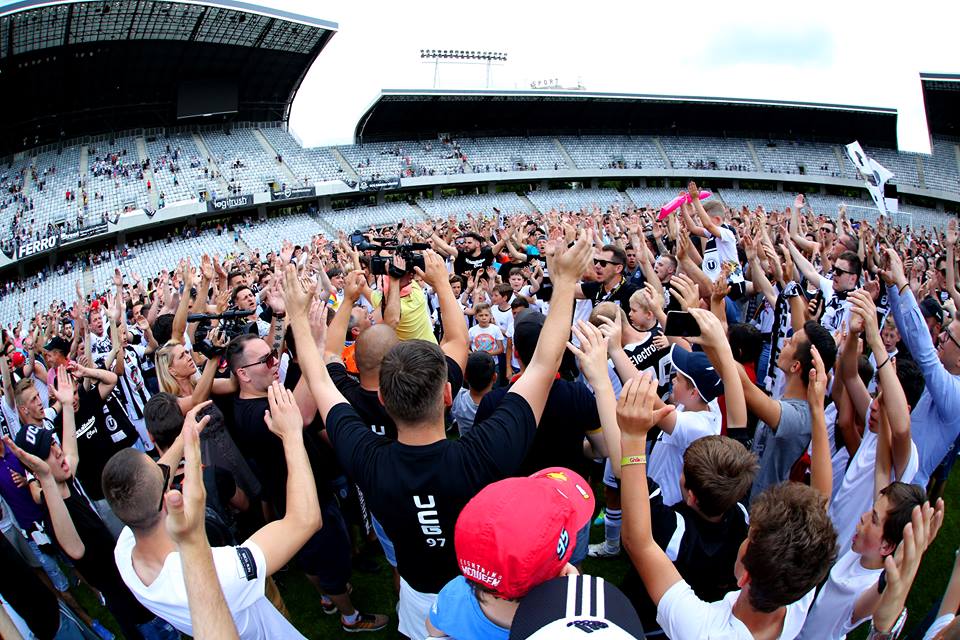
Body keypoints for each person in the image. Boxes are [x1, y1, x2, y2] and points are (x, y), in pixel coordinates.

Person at [289, 233, 593, 639]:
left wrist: (299, 319)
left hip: (418, 598)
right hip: (481, 596)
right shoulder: (481, 454)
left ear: (383, 399)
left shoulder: (368, 458)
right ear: (448, 394)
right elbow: (542, 367)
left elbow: (321, 379)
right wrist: (566, 283)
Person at [618, 363, 838, 639]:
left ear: (744, 576)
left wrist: (632, 436)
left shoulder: (704, 630)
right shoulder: (796, 588)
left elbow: (639, 543)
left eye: (751, 538)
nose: (747, 533)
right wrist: (816, 410)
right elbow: (820, 503)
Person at [102, 385, 321, 639]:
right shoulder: (219, 572)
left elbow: (149, 486)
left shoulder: (125, 553)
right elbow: (305, 520)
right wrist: (292, 435)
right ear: (167, 497)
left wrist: (183, 440)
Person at [5, 367, 178, 640]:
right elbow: (75, 549)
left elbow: (71, 452)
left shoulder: (67, 482)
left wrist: (66, 405)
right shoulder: (54, 516)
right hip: (135, 616)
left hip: (141, 594)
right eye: (48, 453)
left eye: (54, 444)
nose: (58, 451)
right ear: (39, 469)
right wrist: (45, 477)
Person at [425, 467, 595, 639]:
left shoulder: (454, 594)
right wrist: (573, 597)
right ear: (561, 573)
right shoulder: (565, 625)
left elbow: (433, 631)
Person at [878, 246, 960, 487]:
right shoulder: (945, 374)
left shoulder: (956, 394)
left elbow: (924, 353)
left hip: (906, 488)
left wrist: (904, 285)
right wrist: (892, 287)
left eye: (949, 336)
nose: (941, 337)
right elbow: (911, 338)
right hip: (892, 470)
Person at [737, 320, 837, 502]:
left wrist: (718, 339)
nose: (784, 342)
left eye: (790, 342)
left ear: (795, 366)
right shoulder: (788, 397)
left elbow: (744, 387)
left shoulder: (801, 417)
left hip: (761, 511)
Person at [452, 352, 496, 437]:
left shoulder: (457, 400)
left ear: (465, 377)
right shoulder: (500, 405)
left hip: (466, 442)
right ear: (494, 377)